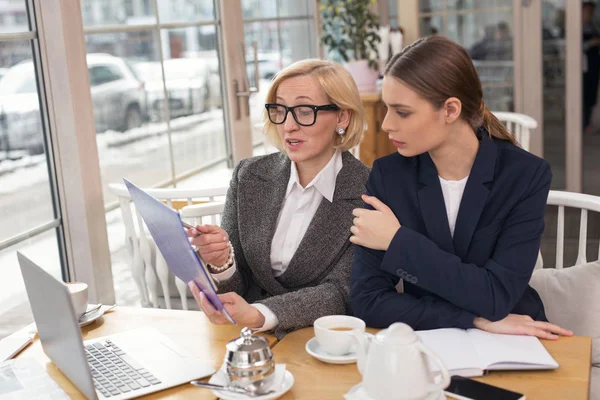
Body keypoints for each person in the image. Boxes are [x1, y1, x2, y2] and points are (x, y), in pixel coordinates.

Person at [349, 36, 573, 340]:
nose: (386, 124)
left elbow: (496, 297)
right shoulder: (388, 175)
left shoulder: (525, 175)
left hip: (513, 338)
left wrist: (398, 241)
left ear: (451, 110)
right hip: (437, 338)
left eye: (401, 111)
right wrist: (473, 319)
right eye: (387, 108)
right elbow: (367, 301)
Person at [187, 59, 370, 338]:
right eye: (280, 110)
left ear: (342, 118)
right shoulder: (249, 175)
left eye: (304, 111)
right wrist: (223, 264)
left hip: (319, 342)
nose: (288, 125)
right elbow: (238, 286)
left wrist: (260, 313)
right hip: (246, 338)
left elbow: (340, 292)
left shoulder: (368, 190)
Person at [582, 1, 600, 132]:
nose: (589, 14)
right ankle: (582, 122)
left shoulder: (593, 26)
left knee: (591, 94)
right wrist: (590, 43)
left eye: (591, 12)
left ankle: (587, 122)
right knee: (581, 93)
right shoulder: (573, 27)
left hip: (593, 64)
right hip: (580, 66)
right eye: (587, 11)